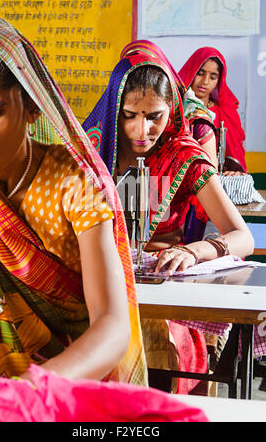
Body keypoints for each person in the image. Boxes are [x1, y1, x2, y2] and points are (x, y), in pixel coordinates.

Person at [0, 17, 148, 403]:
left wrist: (25, 392)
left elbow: (113, 326)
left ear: (32, 107)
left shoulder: (74, 183)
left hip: (74, 379)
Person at [82, 39, 254, 393]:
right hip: (101, 284)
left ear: (172, 109)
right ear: (115, 108)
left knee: (152, 342)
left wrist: (193, 251)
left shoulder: (184, 157)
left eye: (154, 117)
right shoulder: (94, 147)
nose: (140, 131)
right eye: (129, 116)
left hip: (164, 290)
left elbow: (243, 237)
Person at [179, 47, 247, 176]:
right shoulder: (175, 108)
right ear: (191, 71)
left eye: (213, 77)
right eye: (200, 73)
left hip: (214, 179)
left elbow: (234, 156)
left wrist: (235, 172)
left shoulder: (225, 113)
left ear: (219, 81)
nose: (205, 81)